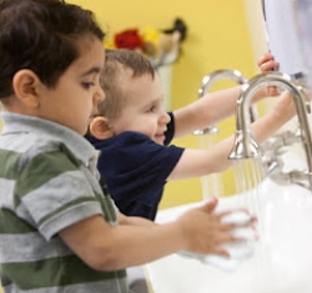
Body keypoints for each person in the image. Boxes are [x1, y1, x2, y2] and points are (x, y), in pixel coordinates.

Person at [0, 1, 256, 293]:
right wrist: (181, 235)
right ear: (29, 88)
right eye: (87, 83)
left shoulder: (20, 148)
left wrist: (184, 239)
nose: (98, 96)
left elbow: (115, 221)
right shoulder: (43, 157)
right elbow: (102, 247)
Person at [86, 49, 294, 220]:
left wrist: (261, 89)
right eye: (150, 109)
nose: (164, 117)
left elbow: (200, 113)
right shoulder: (124, 153)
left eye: (160, 104)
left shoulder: (113, 138)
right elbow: (212, 161)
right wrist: (278, 116)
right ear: (103, 128)